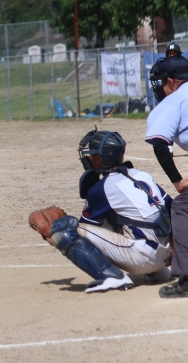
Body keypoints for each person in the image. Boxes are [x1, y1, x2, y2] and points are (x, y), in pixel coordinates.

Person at [47, 129, 172, 293]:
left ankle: (111, 277)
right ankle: (156, 272)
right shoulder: (142, 175)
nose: (87, 157)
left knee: (65, 228)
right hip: (166, 255)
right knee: (125, 217)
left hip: (141, 259)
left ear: (99, 159)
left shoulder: (103, 187)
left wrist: (52, 234)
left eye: (91, 154)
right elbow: (172, 208)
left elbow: (81, 233)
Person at [146, 54, 188, 297]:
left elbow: (160, 144)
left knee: (182, 207)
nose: (161, 88)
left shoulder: (173, 101)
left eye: (162, 82)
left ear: (171, 81)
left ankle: (186, 279)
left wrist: (178, 181)